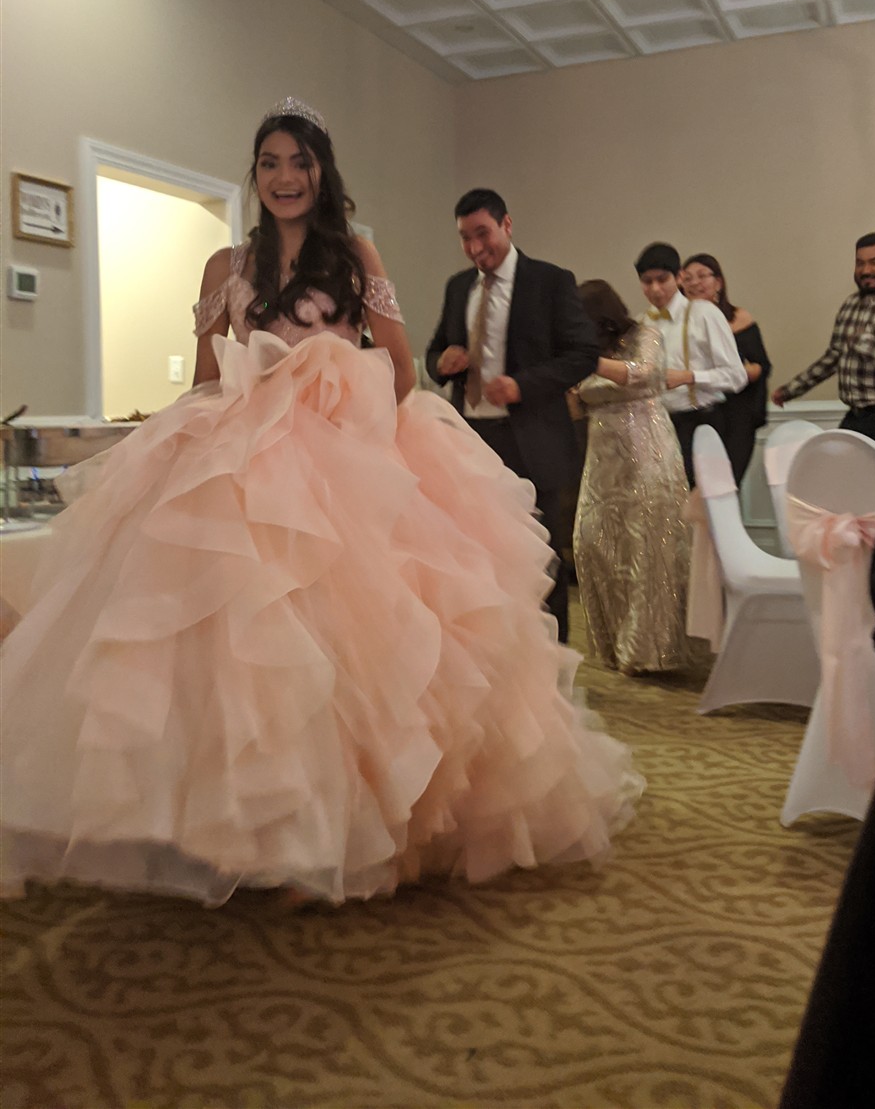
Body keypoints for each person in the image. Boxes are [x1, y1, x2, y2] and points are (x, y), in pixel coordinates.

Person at [0, 100, 641, 908]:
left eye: (298, 162)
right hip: (244, 457)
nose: (284, 178)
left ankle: (345, 828)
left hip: (343, 454)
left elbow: (400, 368)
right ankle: (249, 827)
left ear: (321, 172)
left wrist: (334, 396)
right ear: (256, 175)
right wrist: (202, 427)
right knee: (243, 643)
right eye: (269, 162)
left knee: (354, 644)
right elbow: (207, 376)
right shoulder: (225, 266)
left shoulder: (354, 256)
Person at [426, 189, 598, 643]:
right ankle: (493, 653)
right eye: (465, 237)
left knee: (541, 557)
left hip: (532, 441)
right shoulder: (458, 287)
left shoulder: (550, 281)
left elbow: (583, 353)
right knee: (477, 554)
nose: (474, 247)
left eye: (482, 233)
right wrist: (442, 362)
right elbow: (435, 348)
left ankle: (549, 661)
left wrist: (523, 386)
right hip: (470, 440)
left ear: (506, 224)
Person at [572, 280, 701, 675]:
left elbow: (644, 374)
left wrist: (588, 363)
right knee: (591, 543)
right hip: (603, 460)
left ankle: (646, 650)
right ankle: (615, 644)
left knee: (647, 548)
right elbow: (576, 405)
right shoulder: (580, 348)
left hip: (647, 452)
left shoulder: (646, 335)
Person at [772, 232, 875, 469]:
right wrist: (791, 390)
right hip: (856, 417)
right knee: (845, 480)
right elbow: (834, 357)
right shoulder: (850, 306)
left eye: (874, 262)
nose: (866, 270)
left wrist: (865, 342)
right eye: (860, 263)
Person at [633, 242, 746, 487]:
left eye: (662, 279)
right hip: (658, 427)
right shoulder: (641, 324)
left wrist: (689, 377)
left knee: (705, 500)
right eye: (647, 281)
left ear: (679, 277)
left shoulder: (704, 314)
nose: (655, 289)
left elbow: (737, 376)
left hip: (701, 423)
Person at [681, 253, 771, 485]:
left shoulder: (739, 318)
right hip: (695, 415)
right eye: (688, 278)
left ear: (718, 282)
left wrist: (736, 372)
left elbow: (761, 365)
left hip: (736, 413)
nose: (694, 283)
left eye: (702, 276)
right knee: (696, 486)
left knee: (727, 485)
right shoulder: (679, 324)